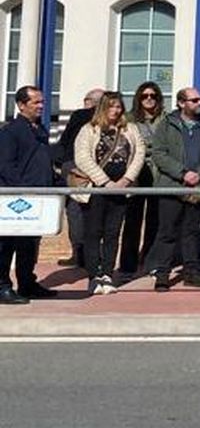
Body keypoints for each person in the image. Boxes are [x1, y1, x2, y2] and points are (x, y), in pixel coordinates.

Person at [146, 87, 200, 291]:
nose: (199, 103)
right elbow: (159, 153)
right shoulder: (167, 124)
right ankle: (162, 274)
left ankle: (192, 272)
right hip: (172, 187)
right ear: (181, 103)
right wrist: (182, 173)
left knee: (192, 232)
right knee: (167, 232)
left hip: (199, 187)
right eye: (194, 100)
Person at [72, 91, 143, 295]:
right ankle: (94, 275)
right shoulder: (89, 129)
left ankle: (108, 274)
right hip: (96, 189)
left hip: (121, 189)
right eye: (111, 106)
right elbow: (82, 157)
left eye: (119, 106)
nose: (115, 110)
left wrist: (126, 180)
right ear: (103, 107)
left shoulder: (130, 129)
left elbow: (139, 153)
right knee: (93, 233)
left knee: (113, 233)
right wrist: (104, 181)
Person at [0, 86, 59, 303]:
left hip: (39, 197)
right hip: (16, 198)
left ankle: (27, 283)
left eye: (42, 102)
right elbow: (5, 166)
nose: (41, 106)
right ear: (21, 105)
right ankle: (2, 286)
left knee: (29, 244)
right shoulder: (11, 131)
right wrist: (24, 189)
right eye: (36, 102)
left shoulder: (40, 130)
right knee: (6, 245)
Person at [55, 87, 104, 270]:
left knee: (75, 210)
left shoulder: (80, 115)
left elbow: (65, 140)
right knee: (94, 209)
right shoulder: (108, 120)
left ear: (88, 101)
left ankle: (79, 252)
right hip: (98, 167)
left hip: (74, 165)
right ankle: (94, 254)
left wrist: (59, 163)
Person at [120, 81, 165, 275]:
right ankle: (128, 264)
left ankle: (149, 261)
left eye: (153, 96)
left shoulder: (165, 119)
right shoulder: (129, 119)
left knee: (155, 219)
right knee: (132, 219)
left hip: (158, 173)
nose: (149, 99)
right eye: (145, 96)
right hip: (135, 172)